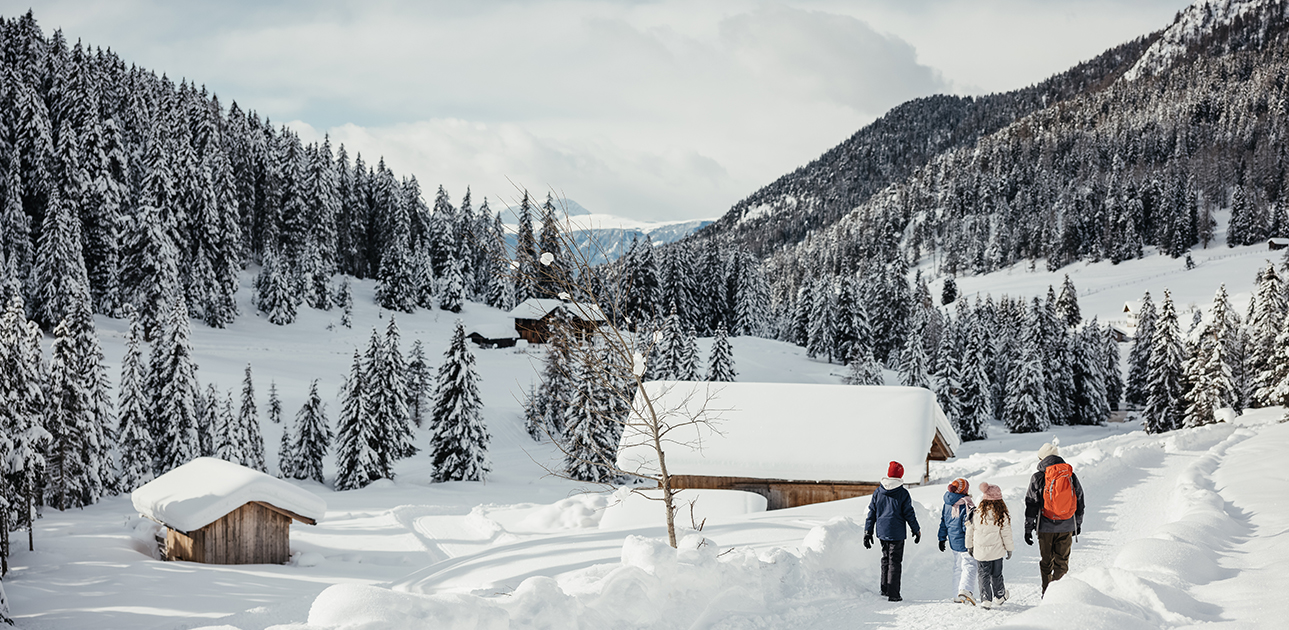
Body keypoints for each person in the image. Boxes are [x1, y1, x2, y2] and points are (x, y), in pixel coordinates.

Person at [1023, 440, 1086, 595]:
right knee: (1062, 562)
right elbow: (1080, 500)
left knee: (1046, 563)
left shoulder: (1038, 477)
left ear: (1042, 459)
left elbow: (1031, 504)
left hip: (1045, 527)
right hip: (1066, 525)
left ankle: (1047, 592)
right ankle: (1058, 594)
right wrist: (1077, 523)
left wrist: (1028, 527)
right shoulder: (1070, 475)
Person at [864, 460, 921, 602]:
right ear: (900, 476)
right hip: (896, 532)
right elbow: (909, 513)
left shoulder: (878, 491)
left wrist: (868, 532)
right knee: (895, 561)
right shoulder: (902, 493)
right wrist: (916, 529)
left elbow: (872, 512)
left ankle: (884, 588)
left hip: (882, 531)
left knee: (885, 559)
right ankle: (893, 594)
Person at [965, 482, 1013, 609]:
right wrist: (1009, 549)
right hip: (997, 551)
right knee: (996, 574)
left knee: (983, 575)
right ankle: (999, 596)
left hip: (981, 551)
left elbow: (970, 531)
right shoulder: (1001, 514)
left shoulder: (976, 513)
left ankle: (985, 599)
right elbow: (1006, 533)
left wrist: (969, 546)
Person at [938, 478, 977, 605]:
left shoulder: (947, 503)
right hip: (965, 541)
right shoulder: (966, 504)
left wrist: (942, 538)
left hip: (953, 541)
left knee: (957, 567)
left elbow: (944, 521)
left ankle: (956, 595)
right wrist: (973, 540)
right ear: (964, 490)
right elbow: (967, 525)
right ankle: (966, 590)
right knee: (970, 565)